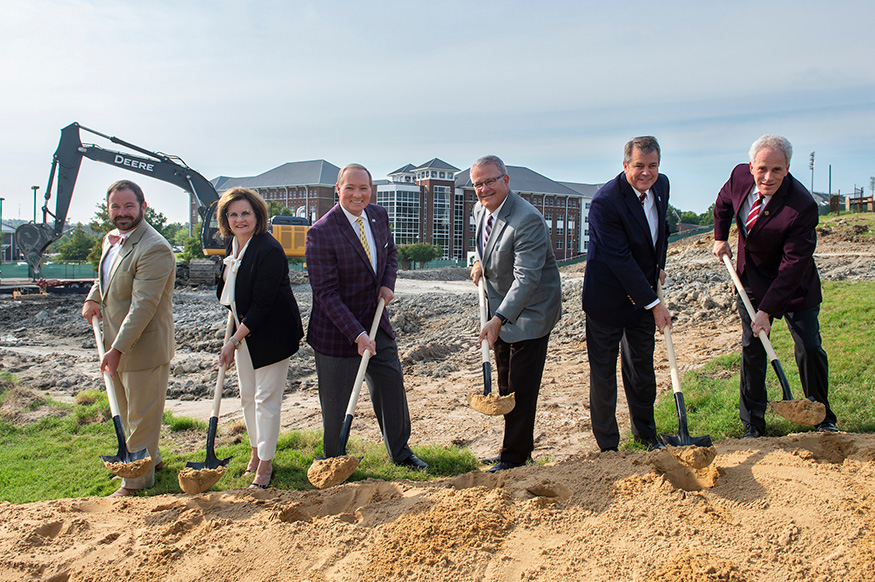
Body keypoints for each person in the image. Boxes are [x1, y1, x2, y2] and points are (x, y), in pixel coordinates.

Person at [305, 163, 427, 470]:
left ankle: (400, 452)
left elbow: (391, 253)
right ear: (338, 190)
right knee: (337, 403)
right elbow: (326, 293)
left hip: (376, 321)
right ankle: (333, 459)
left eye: (364, 188)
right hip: (336, 330)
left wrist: (388, 283)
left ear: (370, 190)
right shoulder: (320, 232)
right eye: (351, 188)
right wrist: (357, 335)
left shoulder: (378, 215)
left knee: (391, 384)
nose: (358, 195)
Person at [713, 135, 836, 437]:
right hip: (751, 279)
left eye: (777, 170)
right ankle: (753, 424)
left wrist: (767, 311)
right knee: (752, 348)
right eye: (763, 169)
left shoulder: (802, 206)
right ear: (752, 166)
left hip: (795, 286)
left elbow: (793, 265)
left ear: (788, 168)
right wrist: (720, 237)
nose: (769, 177)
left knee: (808, 346)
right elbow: (723, 203)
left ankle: (820, 415)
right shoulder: (739, 176)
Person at [81, 180, 175, 496]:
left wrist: (118, 348)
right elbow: (106, 277)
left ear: (143, 207)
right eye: (116, 207)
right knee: (127, 409)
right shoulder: (115, 241)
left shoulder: (154, 248)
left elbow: (143, 305)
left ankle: (135, 481)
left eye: (129, 206)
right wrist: (94, 296)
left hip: (143, 346)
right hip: (114, 342)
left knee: (140, 415)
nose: (122, 213)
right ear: (108, 209)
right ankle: (153, 460)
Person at [470, 155, 562, 472]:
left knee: (520, 389)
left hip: (532, 310)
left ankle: (515, 458)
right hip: (501, 308)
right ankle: (513, 448)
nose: (484, 188)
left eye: (490, 181)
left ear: (506, 180)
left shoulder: (527, 219)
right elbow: (489, 245)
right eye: (478, 183)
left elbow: (527, 279)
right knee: (507, 385)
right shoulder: (480, 210)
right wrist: (482, 262)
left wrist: (497, 319)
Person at [582, 136, 672, 453]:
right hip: (606, 299)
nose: (646, 173)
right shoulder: (606, 201)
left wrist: (658, 265)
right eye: (639, 166)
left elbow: (662, 232)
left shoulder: (661, 187)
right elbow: (619, 259)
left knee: (641, 370)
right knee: (604, 375)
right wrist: (655, 303)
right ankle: (608, 447)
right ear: (625, 166)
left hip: (642, 297)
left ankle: (646, 435)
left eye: (653, 166)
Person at [216, 187, 304, 488]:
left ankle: (265, 465)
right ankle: (255, 452)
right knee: (246, 396)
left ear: (257, 216)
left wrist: (233, 341)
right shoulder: (233, 246)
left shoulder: (269, 249)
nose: (240, 220)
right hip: (244, 333)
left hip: (272, 333)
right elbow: (231, 296)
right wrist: (234, 337)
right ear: (226, 219)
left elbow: (263, 304)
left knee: (266, 399)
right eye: (233, 215)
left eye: (245, 214)